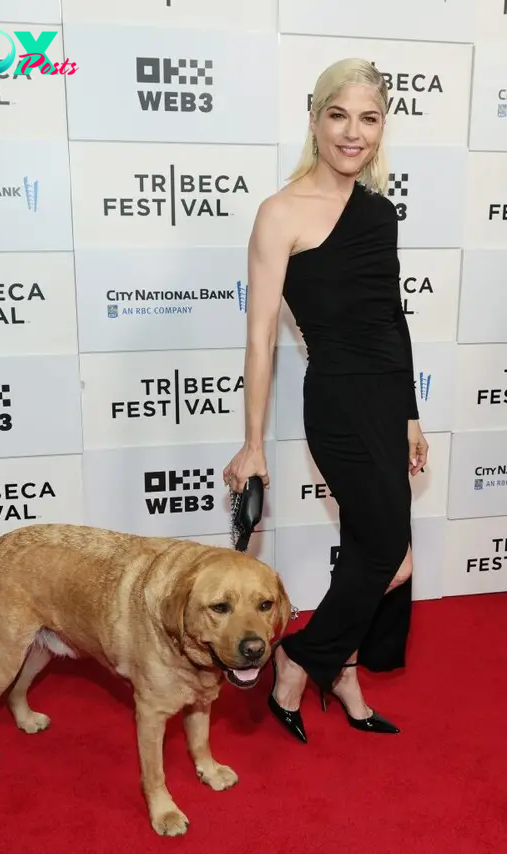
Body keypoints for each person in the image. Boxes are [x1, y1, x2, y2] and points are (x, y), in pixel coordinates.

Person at [222, 58, 429, 743]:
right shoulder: (279, 214)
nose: (353, 132)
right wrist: (253, 443)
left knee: (384, 552)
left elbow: (390, 319)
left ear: (381, 129)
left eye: (369, 119)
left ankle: (335, 669)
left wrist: (409, 414)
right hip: (336, 401)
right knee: (389, 556)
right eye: (339, 115)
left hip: (382, 399)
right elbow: (260, 341)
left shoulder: (378, 212)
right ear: (314, 120)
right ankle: (304, 658)